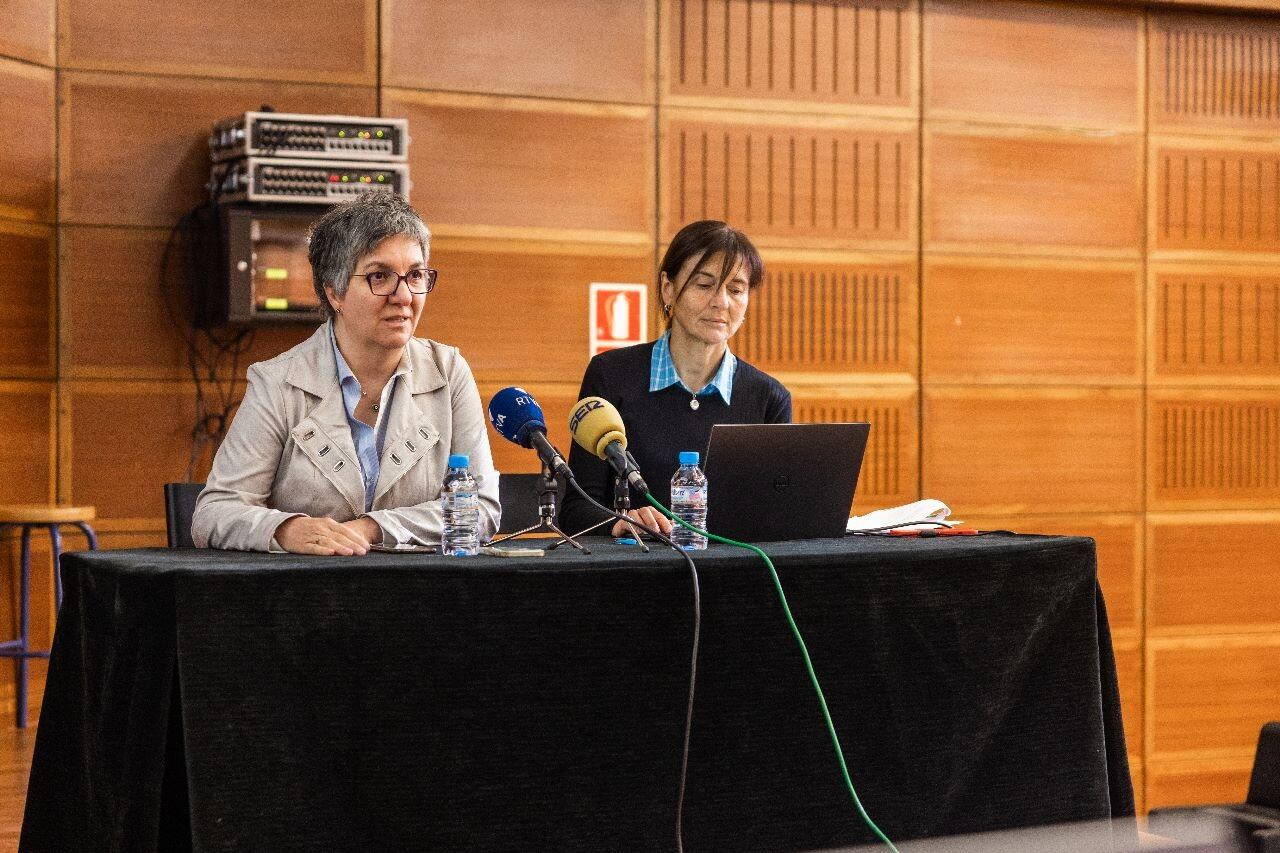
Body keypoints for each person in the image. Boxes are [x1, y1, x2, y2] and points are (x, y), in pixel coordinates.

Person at [192, 193, 500, 553]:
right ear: (334, 291)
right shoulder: (277, 381)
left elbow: (479, 509)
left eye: (415, 275)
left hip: (425, 597)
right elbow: (214, 514)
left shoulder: (448, 371)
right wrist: (285, 530)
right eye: (380, 276)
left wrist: (371, 528)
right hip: (308, 598)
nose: (404, 296)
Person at [558, 220, 791, 538]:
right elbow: (576, 510)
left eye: (735, 290)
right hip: (634, 574)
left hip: (734, 579)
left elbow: (780, 516)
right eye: (704, 285)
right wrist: (620, 520)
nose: (721, 302)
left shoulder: (769, 398)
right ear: (668, 288)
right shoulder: (610, 376)